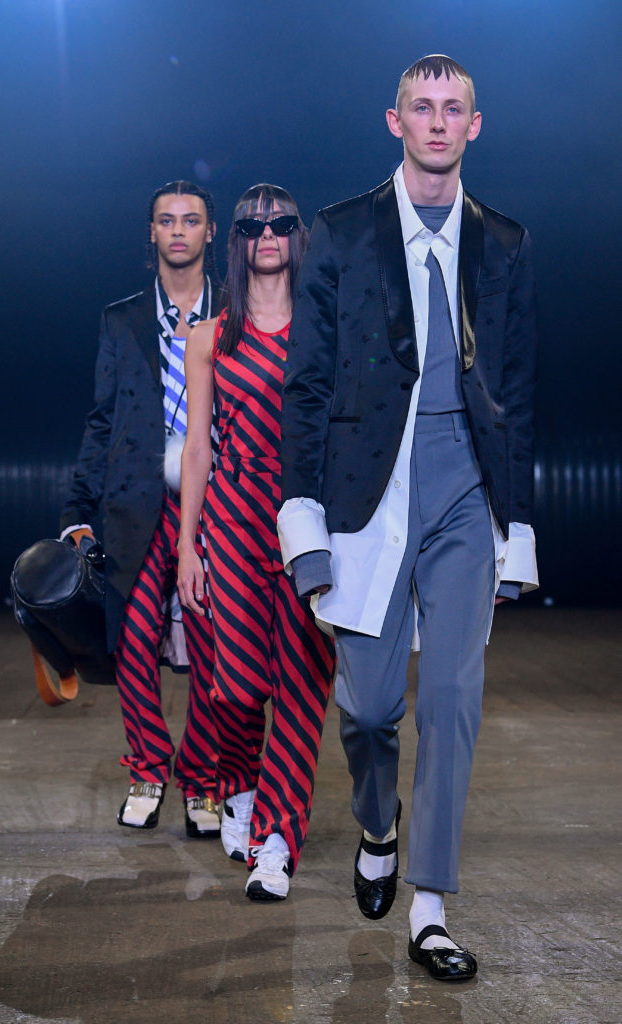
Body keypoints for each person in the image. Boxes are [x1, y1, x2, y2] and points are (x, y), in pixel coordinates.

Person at [278, 55, 538, 978]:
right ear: (394, 122)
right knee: (368, 708)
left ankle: (430, 905)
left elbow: (514, 391)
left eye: (451, 108)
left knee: (454, 699)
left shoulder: (503, 242)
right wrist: (304, 530)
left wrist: (515, 532)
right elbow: (306, 388)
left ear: (474, 125)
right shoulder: (342, 232)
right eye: (420, 107)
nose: (435, 121)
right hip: (367, 492)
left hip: (466, 487)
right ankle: (376, 825)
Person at [178, 184, 336, 901]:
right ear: (235, 241)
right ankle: (239, 789)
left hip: (307, 518)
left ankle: (275, 842)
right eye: (251, 225)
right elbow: (197, 449)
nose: (266, 235)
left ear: (297, 236)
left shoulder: (322, 328)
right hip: (234, 517)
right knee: (236, 687)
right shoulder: (209, 337)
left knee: (301, 688)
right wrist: (187, 546)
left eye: (280, 223)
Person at [60, 180, 224, 838]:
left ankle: (204, 781)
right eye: (166, 220)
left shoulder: (236, 312)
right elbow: (103, 419)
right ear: (151, 233)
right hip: (135, 499)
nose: (178, 230)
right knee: (132, 639)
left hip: (216, 501)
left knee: (211, 641)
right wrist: (77, 508)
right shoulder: (122, 319)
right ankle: (148, 769)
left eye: (191, 220)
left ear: (210, 232)